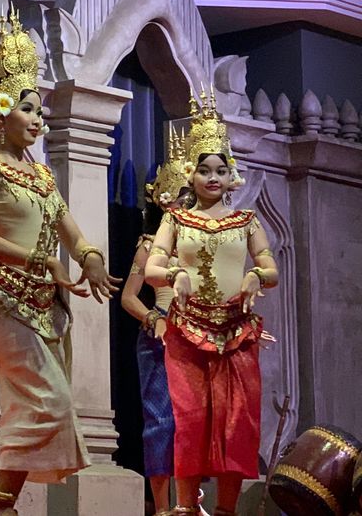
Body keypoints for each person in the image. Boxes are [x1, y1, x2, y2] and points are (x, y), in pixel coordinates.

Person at [0, 8, 121, 516]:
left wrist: (90, 258)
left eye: (39, 111)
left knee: (34, 405)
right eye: (27, 109)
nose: (37, 119)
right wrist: (44, 260)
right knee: (49, 402)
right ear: (1, 112)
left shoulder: (43, 178)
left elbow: (72, 231)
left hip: (41, 305)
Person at [145, 90, 279, 516]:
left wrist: (257, 276)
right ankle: (185, 508)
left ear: (231, 173)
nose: (213, 177)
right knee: (190, 420)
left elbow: (270, 267)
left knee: (237, 422)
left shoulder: (246, 221)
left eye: (221, 170)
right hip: (187, 331)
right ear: (191, 173)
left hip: (237, 333)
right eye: (204, 170)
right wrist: (175, 274)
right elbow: (152, 268)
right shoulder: (176, 219)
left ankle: (226, 511)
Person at [119, 127, 186, 516]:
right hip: (159, 336)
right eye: (182, 198)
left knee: (193, 420)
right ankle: (162, 508)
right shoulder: (148, 246)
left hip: (198, 334)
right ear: (165, 201)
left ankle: (188, 503)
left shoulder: (199, 244)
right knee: (161, 420)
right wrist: (153, 319)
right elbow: (128, 297)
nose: (188, 205)